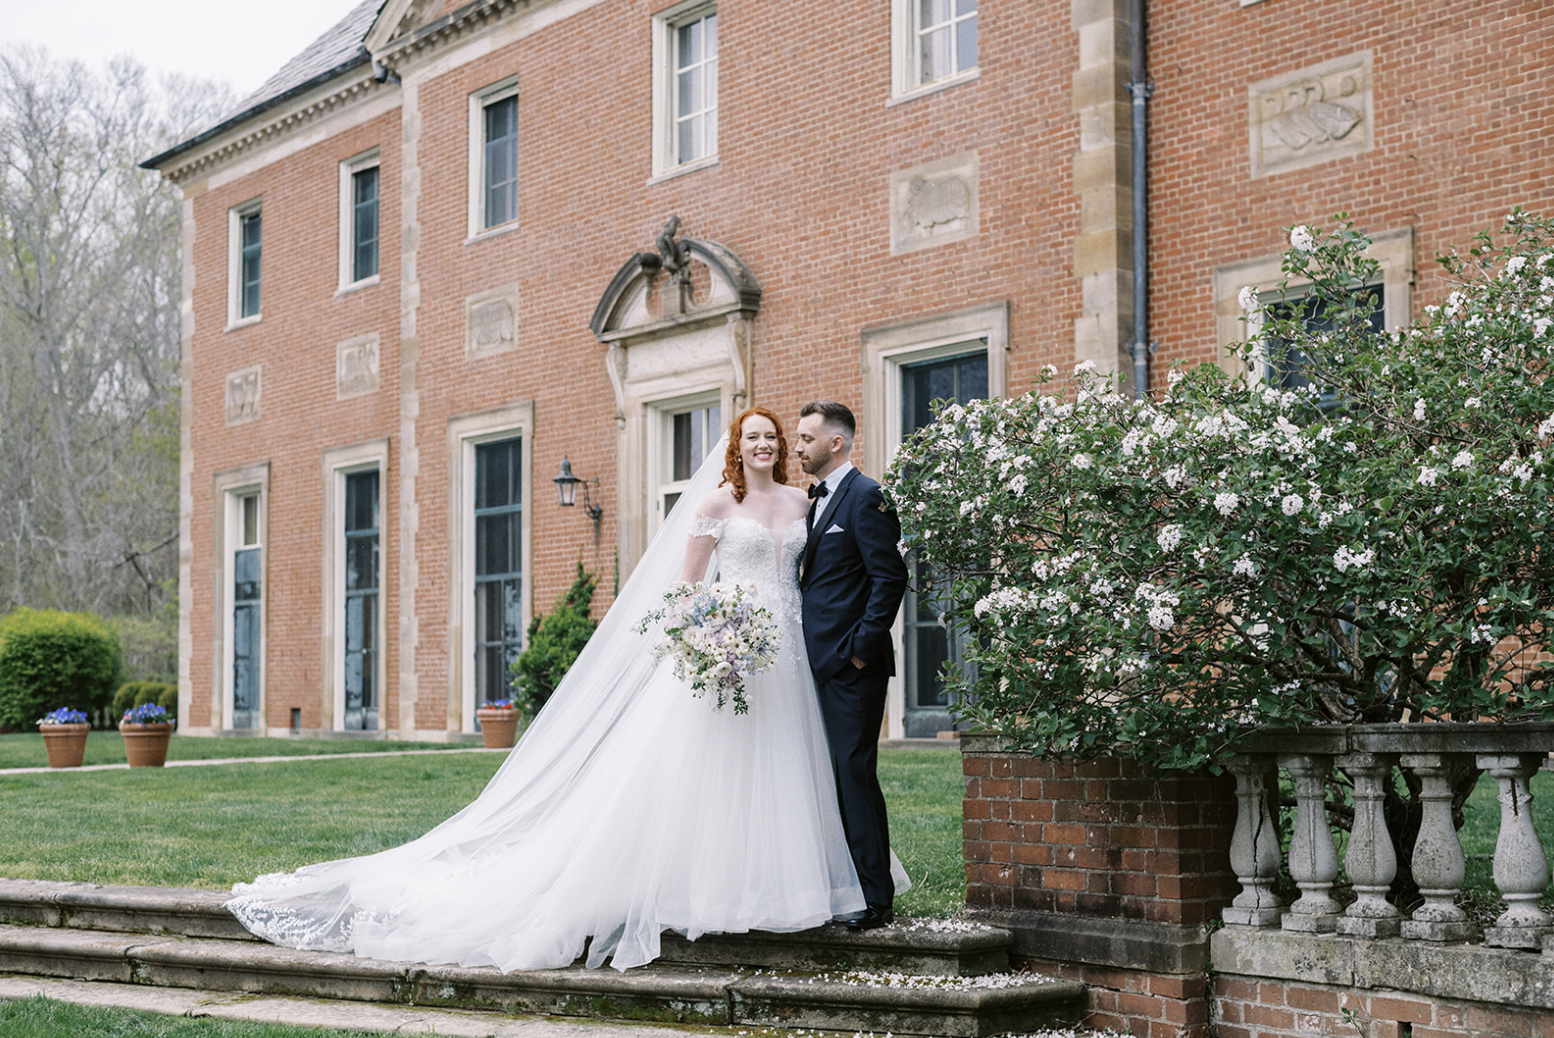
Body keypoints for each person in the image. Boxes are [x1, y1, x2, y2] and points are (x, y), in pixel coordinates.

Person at [226, 407, 902, 972]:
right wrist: (707, 636)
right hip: (729, 646)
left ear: (784, 447)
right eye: (750, 435)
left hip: (789, 654)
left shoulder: (804, 500)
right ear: (735, 445)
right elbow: (687, 588)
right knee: (713, 769)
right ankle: (707, 889)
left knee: (789, 767)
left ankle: (790, 885)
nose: (763, 444)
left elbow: (830, 575)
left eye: (772, 437)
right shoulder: (716, 502)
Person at [793, 401, 909, 932]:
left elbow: (890, 577)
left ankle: (875, 898)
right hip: (808, 664)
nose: (797, 447)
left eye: (806, 439)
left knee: (853, 775)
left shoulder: (867, 497)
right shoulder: (812, 503)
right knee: (825, 777)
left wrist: (859, 646)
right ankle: (839, 886)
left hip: (850, 665)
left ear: (835, 442)